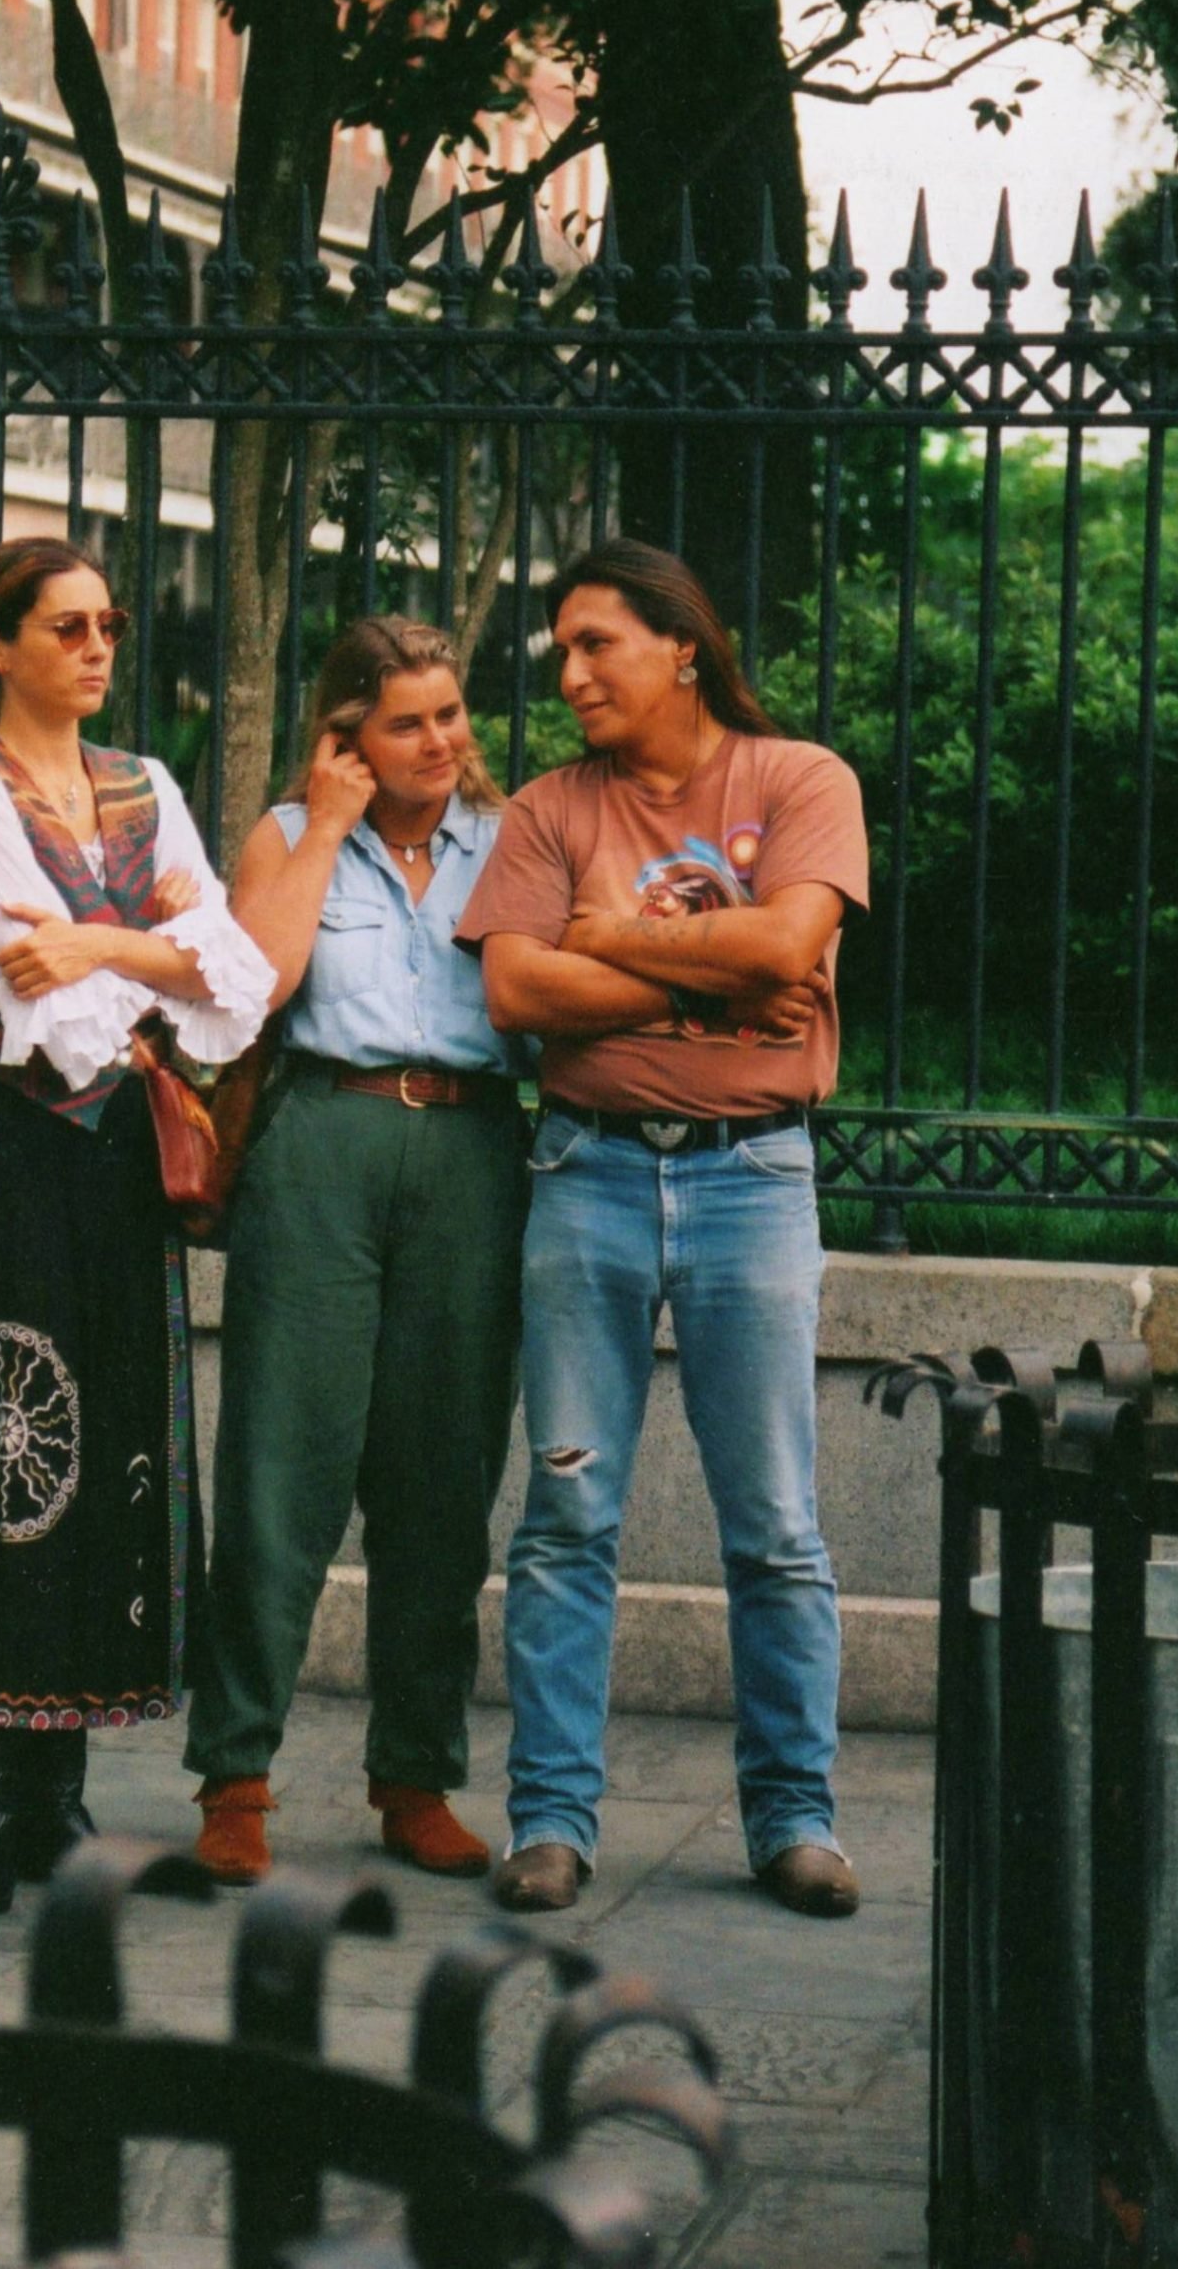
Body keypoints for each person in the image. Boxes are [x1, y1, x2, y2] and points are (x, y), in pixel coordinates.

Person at [0, 535, 274, 1942]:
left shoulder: (144, 788)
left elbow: (237, 986)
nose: (98, 647)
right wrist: (146, 953)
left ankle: (58, 1801)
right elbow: (50, 1017)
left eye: (108, 623)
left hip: (107, 1175)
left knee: (108, 1462)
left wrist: (104, 947)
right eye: (66, 626)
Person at [455, 537, 869, 1918]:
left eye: (595, 645)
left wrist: (608, 938)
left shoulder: (798, 780)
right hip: (586, 1176)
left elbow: (782, 950)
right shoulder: (544, 809)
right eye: (558, 649)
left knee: (774, 1526)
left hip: (753, 1180)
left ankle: (792, 1818)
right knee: (566, 1512)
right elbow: (516, 990)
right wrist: (698, 994)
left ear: (679, 644)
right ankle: (550, 1822)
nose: (566, 673)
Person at [182, 617, 531, 1884]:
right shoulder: (288, 838)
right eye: (405, 722)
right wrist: (325, 825)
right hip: (322, 1139)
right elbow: (251, 991)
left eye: (450, 714)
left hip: (474, 1154)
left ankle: (416, 1776)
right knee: (281, 1464)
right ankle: (235, 1775)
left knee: (444, 1479)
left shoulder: (514, 840)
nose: (438, 741)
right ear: (346, 735)